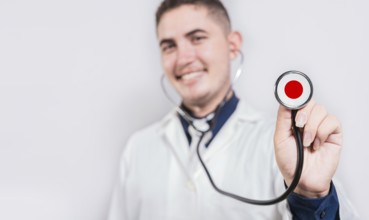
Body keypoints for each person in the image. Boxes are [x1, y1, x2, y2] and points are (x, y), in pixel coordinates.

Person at [108, 0, 359, 219]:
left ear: (232, 45)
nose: (183, 58)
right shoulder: (138, 148)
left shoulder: (291, 145)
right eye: (168, 46)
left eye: (197, 38)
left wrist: (310, 196)